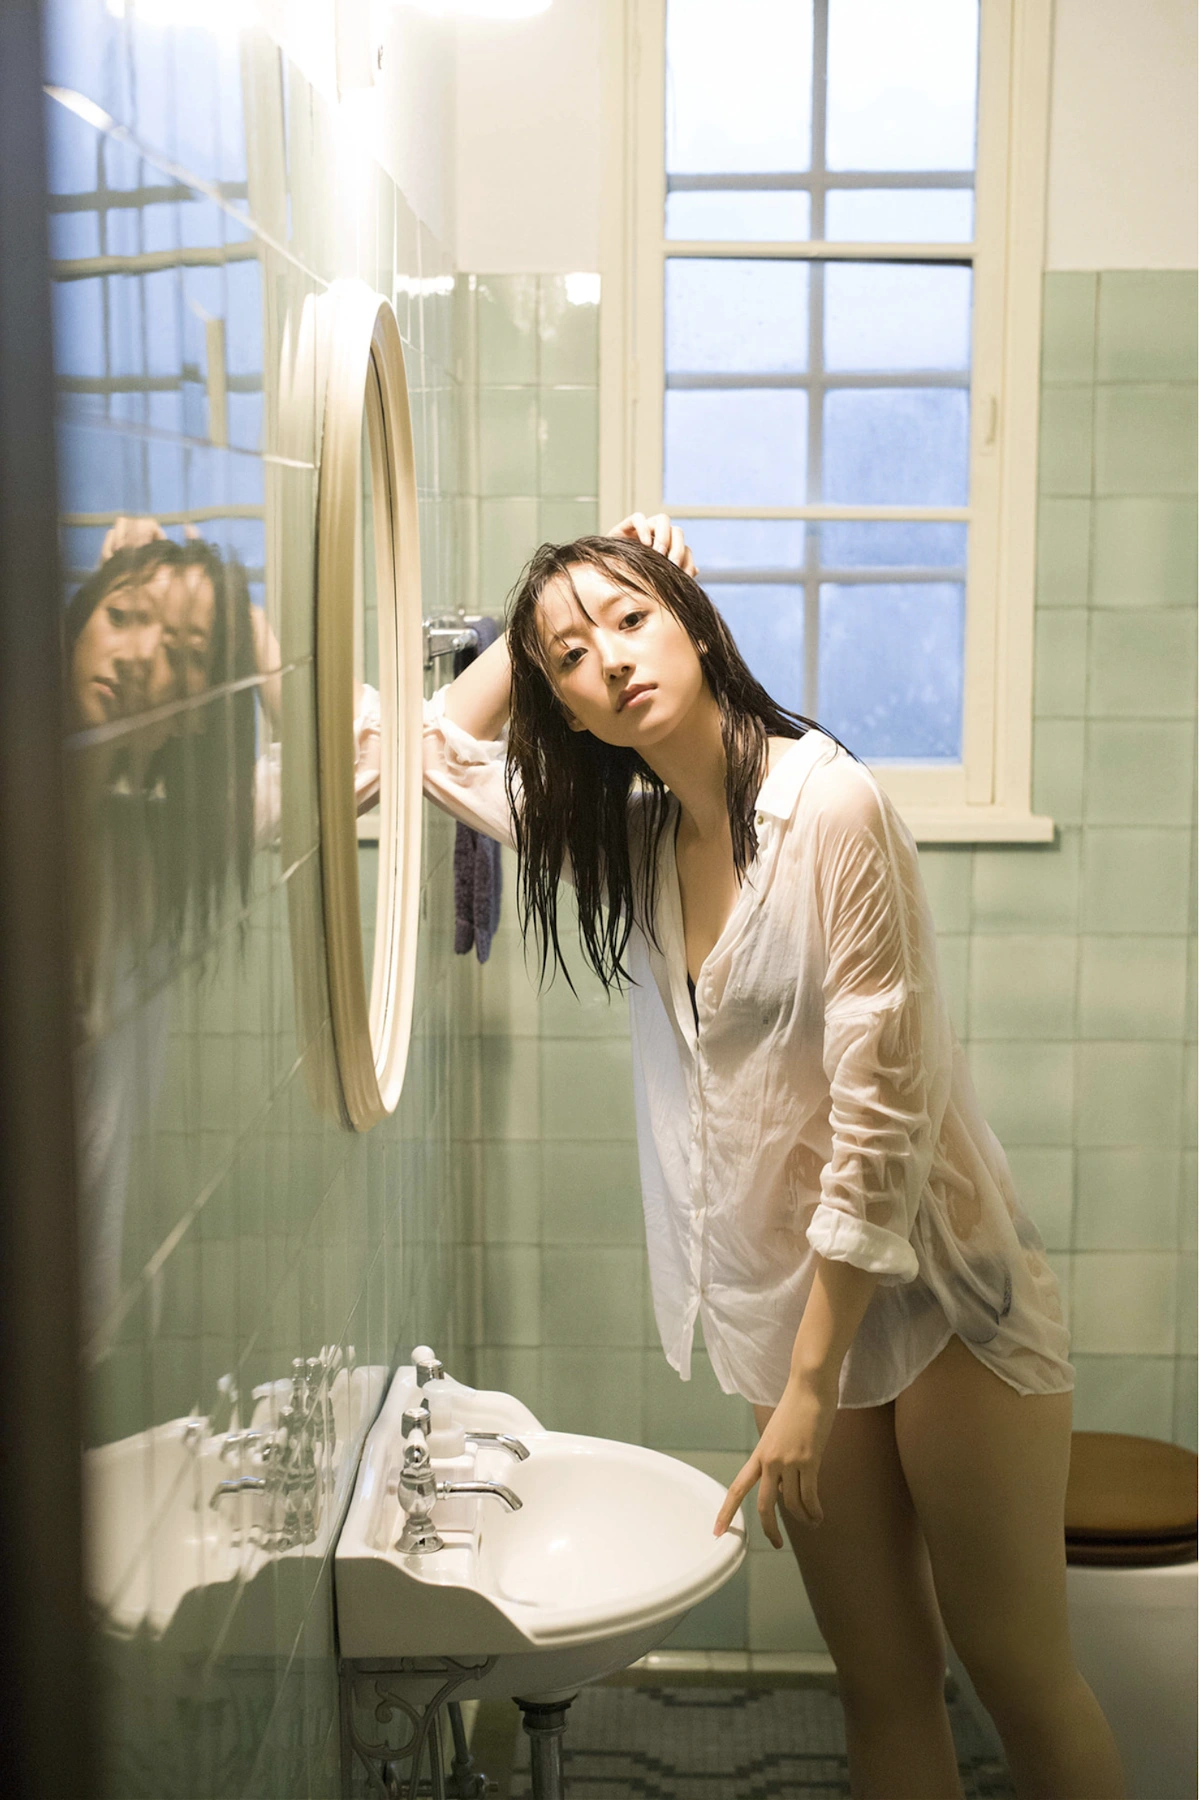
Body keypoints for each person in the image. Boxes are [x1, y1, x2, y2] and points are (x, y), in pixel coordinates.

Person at [421, 512, 1126, 1800]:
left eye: (635, 618)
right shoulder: (633, 835)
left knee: (1018, 1675)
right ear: (563, 705)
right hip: (789, 1305)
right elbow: (414, 749)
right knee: (883, 1680)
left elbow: (884, 1117)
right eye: (574, 659)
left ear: (696, 624)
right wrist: (540, 619)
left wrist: (809, 1386)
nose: (611, 659)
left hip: (947, 1292)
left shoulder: (831, 806)